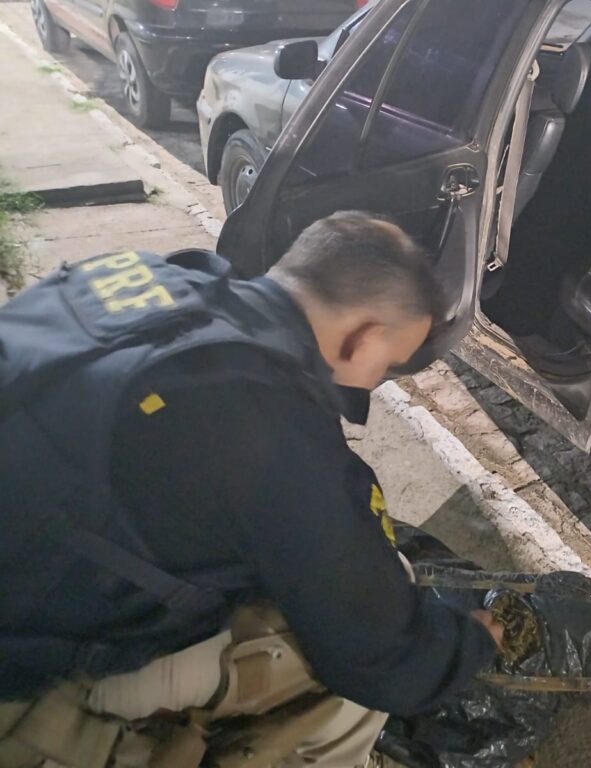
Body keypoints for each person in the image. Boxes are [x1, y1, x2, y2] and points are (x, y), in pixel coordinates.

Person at [0, 211, 503, 767]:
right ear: (364, 339)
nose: (376, 381)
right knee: (332, 669)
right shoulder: (269, 426)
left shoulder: (150, 276)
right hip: (18, 670)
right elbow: (383, 659)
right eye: (388, 363)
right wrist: (470, 642)